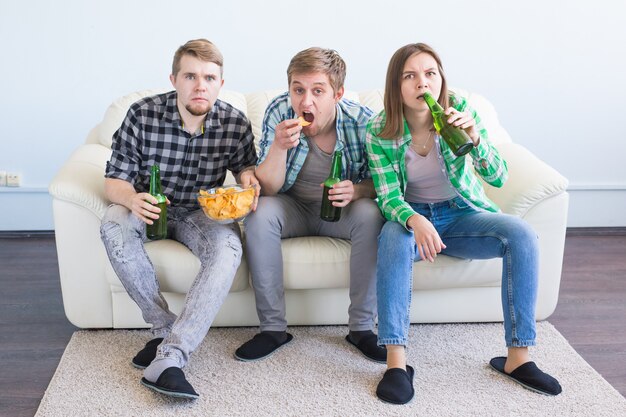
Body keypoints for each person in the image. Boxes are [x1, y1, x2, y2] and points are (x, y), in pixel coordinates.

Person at [365, 43, 562, 404]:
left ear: (441, 80)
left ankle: (518, 358)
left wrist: (475, 139)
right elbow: (387, 196)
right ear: (396, 86)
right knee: (392, 236)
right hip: (412, 217)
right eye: (410, 76)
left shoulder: (460, 112)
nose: (422, 83)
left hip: (461, 213)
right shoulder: (379, 128)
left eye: (430, 74)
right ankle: (396, 363)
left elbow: (498, 176)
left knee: (522, 234)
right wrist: (415, 218)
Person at [100, 39, 260, 399]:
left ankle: (170, 356)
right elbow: (114, 180)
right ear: (174, 79)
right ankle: (162, 329)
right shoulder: (141, 114)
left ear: (220, 83)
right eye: (190, 76)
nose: (199, 85)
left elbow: (246, 168)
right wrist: (132, 198)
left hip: (201, 213)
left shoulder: (234, 123)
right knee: (114, 220)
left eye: (208, 77)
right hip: (148, 207)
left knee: (228, 247)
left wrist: (249, 179)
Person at [234, 47, 386, 363]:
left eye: (318, 91)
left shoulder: (363, 122)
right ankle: (272, 330)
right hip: (291, 206)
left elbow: (382, 185)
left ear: (338, 93)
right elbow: (269, 188)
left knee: (371, 214)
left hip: (340, 212)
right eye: (298, 90)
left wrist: (356, 191)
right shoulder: (279, 111)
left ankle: (361, 329)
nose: (306, 102)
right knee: (258, 212)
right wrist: (278, 147)